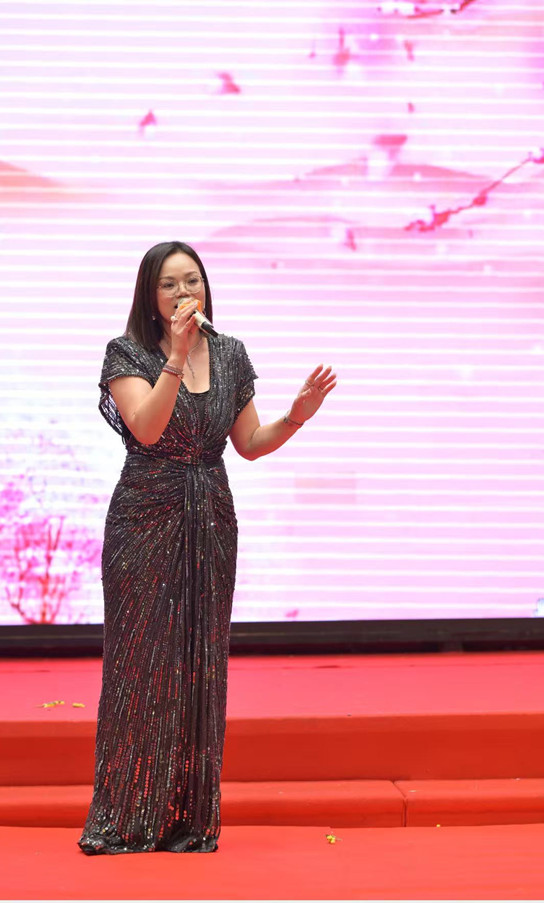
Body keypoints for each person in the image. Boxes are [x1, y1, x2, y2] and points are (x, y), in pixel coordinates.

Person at [78, 240, 336, 855]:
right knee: (142, 665)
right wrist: (176, 355)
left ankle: (187, 820)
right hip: (145, 517)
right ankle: (127, 816)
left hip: (211, 517)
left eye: (191, 280)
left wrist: (296, 416)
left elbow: (249, 443)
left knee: (200, 661)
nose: (183, 292)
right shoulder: (128, 352)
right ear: (150, 296)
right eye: (169, 284)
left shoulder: (231, 353)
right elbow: (147, 428)